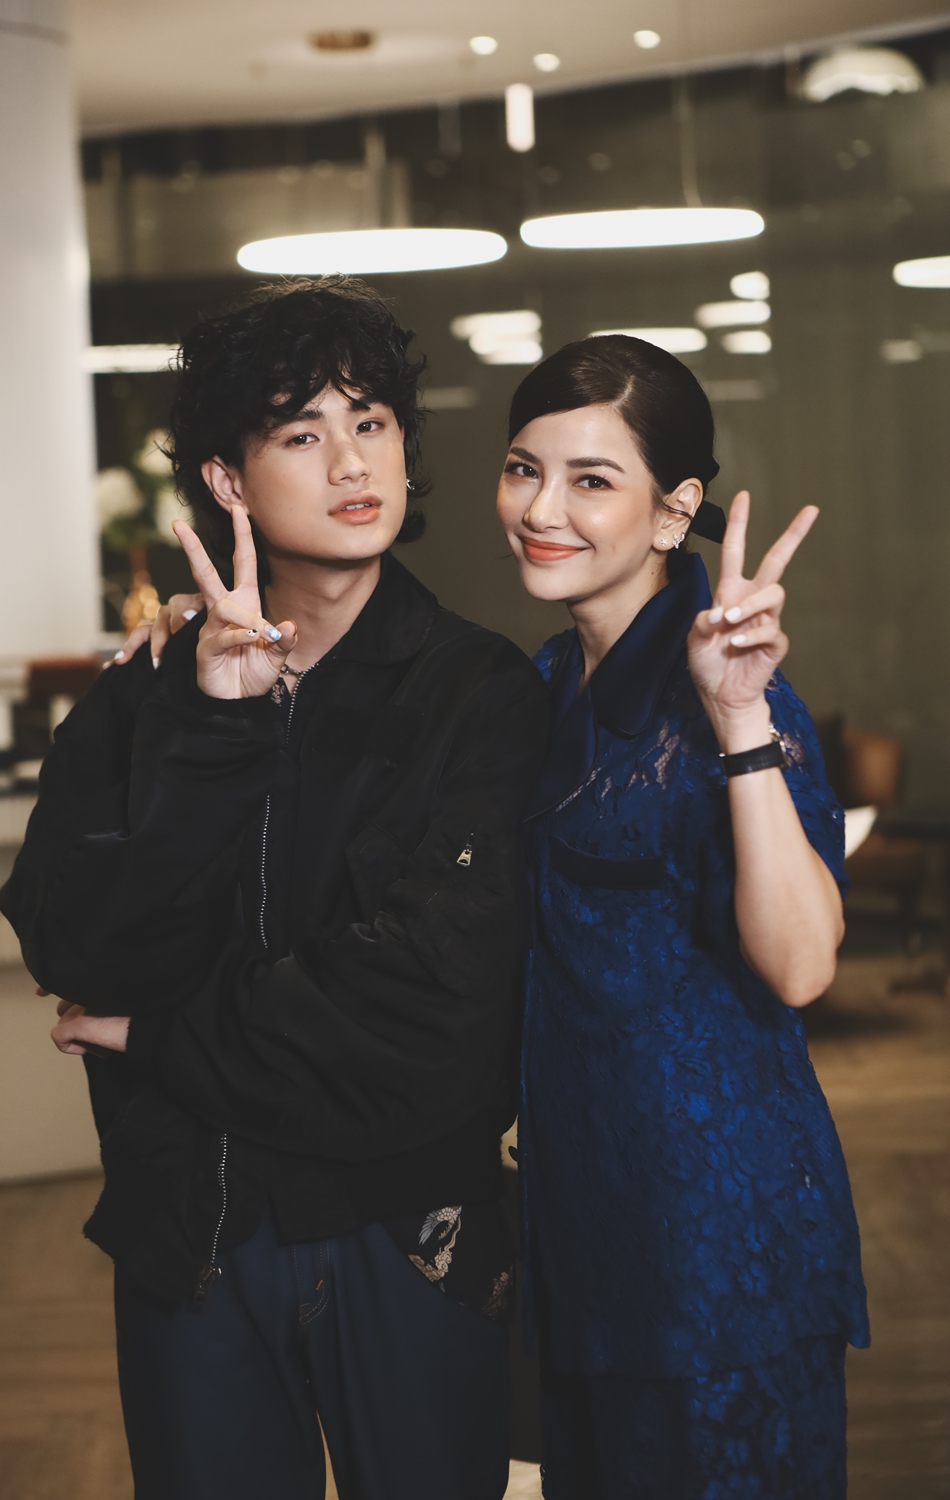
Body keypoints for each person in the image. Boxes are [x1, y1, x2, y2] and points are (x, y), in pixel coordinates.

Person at [0, 277, 548, 1500]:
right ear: (228, 480)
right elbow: (79, 948)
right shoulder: (145, 696)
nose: (353, 462)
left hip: (410, 1234)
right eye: (302, 433)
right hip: (188, 1227)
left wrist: (158, 1035)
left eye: (373, 422)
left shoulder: (479, 695)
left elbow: (430, 1024)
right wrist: (215, 724)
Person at [496, 335, 869, 1499]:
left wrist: (739, 721)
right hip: (581, 1217)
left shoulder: (742, 695)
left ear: (673, 510)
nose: (540, 509)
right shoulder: (540, 684)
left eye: (590, 480)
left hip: (718, 1231)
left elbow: (801, 967)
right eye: (523, 469)